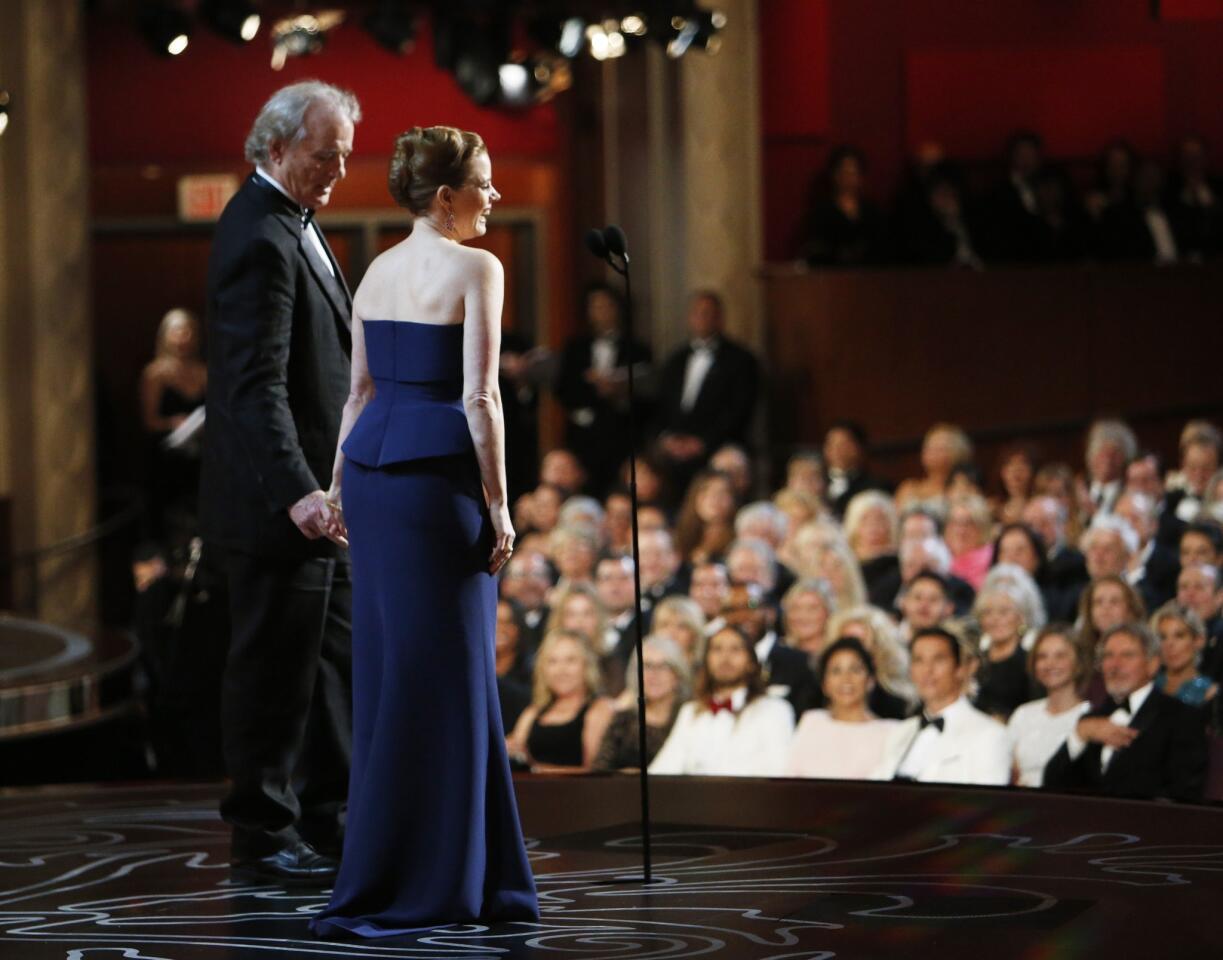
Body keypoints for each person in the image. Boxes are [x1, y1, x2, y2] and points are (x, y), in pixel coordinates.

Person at [310, 124, 538, 935]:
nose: (493, 196)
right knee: (450, 678)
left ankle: (394, 870)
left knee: (392, 677)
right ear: (445, 197)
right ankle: (451, 878)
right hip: (437, 487)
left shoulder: (373, 270)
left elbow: (358, 396)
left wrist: (338, 483)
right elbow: (480, 399)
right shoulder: (479, 266)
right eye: (482, 183)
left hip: (373, 484)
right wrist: (502, 505)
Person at [200, 82, 359, 883]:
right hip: (278, 509)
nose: (337, 169)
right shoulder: (259, 232)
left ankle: (329, 821)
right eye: (323, 154)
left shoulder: (297, 223)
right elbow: (250, 383)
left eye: (344, 155)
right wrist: (299, 490)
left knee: (328, 670)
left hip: (320, 507)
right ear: (274, 147)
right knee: (273, 675)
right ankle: (261, 836)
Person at [1043, 623, 1208, 802]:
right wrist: (1079, 735)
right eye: (1108, 656)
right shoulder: (1090, 721)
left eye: (1127, 655)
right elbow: (1052, 784)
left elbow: (1183, 794)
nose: (1115, 665)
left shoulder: (1182, 717)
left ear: (1152, 664)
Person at [653, 291, 760, 501]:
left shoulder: (741, 360)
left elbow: (739, 409)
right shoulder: (676, 359)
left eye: (708, 313)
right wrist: (667, 439)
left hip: (717, 447)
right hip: (674, 451)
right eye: (697, 313)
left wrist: (702, 442)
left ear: (720, 318)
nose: (702, 318)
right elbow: (661, 404)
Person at [649, 624, 795, 776]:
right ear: (706, 660)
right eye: (717, 649)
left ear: (751, 662)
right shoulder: (691, 712)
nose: (725, 658)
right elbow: (663, 770)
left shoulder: (774, 710)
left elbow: (780, 772)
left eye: (735, 649)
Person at [871, 627, 1010, 786]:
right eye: (919, 660)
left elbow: (989, 803)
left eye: (938, 659)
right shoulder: (901, 732)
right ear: (911, 670)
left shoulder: (990, 734)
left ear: (960, 669)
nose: (927, 670)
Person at [555, 283, 652, 497]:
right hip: (583, 436)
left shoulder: (636, 348)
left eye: (607, 306)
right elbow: (563, 389)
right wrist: (593, 387)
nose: (601, 312)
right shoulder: (575, 348)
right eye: (596, 307)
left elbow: (647, 392)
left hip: (621, 434)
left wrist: (617, 389)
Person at [786, 637, 898, 779]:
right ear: (824, 684)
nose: (846, 679)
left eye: (855, 670)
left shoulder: (890, 731)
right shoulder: (812, 721)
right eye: (836, 671)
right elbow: (790, 777)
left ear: (870, 681)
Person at [505, 629, 616, 773]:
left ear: (586, 666)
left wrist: (539, 770)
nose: (561, 670)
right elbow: (513, 752)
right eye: (553, 661)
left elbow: (594, 772)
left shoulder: (599, 709)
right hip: (530, 792)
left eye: (570, 660)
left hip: (578, 793)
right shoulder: (533, 712)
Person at [141, 307, 207, 541]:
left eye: (188, 331)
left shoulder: (204, 373)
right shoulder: (155, 373)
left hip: (200, 458)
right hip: (167, 459)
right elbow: (149, 421)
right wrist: (173, 423)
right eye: (178, 331)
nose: (183, 337)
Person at [1006, 625, 1091, 788]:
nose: (1050, 664)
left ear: (1079, 663)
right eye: (1042, 656)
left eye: (1060, 656)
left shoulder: (1090, 715)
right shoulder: (1023, 714)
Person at [593, 634, 690, 771]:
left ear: (677, 674)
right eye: (647, 666)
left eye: (663, 666)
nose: (654, 674)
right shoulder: (623, 720)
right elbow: (600, 770)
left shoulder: (689, 717)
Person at [825, 605, 915, 718]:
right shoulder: (821, 697)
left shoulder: (895, 700)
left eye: (860, 642)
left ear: (878, 646)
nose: (853, 648)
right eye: (847, 641)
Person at [1151, 602, 1217, 708]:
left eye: (1179, 636)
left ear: (1198, 641)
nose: (1169, 644)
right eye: (1163, 637)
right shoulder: (1147, 686)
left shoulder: (1210, 693)